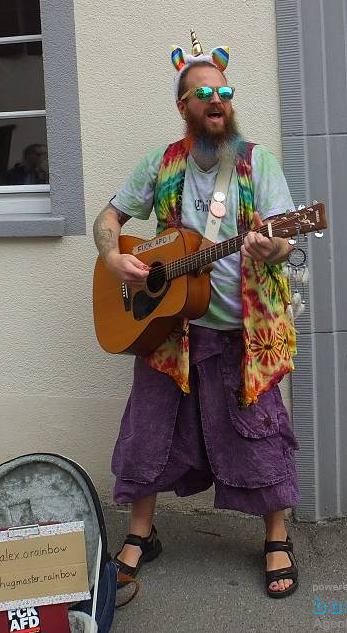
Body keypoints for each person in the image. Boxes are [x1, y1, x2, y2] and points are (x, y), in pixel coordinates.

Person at [92, 31, 301, 599]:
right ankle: (141, 533)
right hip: (169, 329)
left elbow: (287, 239)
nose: (217, 101)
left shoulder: (259, 164)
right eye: (204, 93)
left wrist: (272, 247)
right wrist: (113, 257)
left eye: (225, 91)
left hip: (242, 329)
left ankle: (277, 537)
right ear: (183, 107)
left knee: (259, 433)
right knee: (148, 432)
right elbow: (108, 218)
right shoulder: (162, 165)